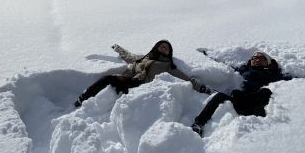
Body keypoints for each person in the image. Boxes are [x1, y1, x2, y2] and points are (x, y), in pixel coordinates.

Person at [74, 40, 211, 107]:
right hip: (128, 79)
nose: (163, 48)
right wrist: (118, 48)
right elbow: (128, 56)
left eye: (166, 48)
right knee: (108, 79)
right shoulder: (144, 57)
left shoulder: (168, 65)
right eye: (161, 46)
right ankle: (85, 97)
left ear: (169, 53)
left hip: (139, 85)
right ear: (156, 47)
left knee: (108, 78)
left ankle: (84, 97)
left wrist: (200, 87)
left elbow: (184, 77)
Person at [190, 51, 285, 137]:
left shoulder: (272, 74)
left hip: (257, 102)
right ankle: (198, 124)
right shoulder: (244, 70)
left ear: (267, 62)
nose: (256, 60)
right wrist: (207, 54)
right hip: (240, 100)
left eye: (260, 58)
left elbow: (292, 81)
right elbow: (225, 65)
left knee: (265, 92)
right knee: (220, 96)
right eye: (254, 58)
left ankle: (261, 127)